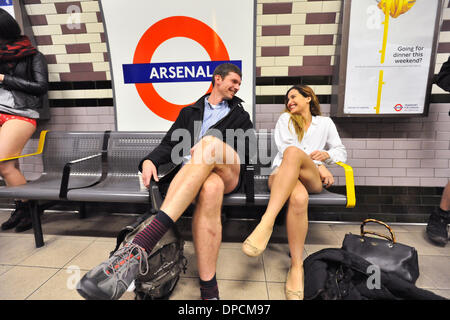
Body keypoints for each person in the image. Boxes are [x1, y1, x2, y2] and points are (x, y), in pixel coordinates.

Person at [76, 63, 254, 300]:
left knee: (209, 145)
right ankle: (209, 290)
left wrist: (216, 147)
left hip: (229, 169)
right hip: (198, 175)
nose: (237, 87)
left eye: (239, 83)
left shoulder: (240, 116)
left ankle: (143, 243)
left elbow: (248, 152)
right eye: (233, 81)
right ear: (218, 79)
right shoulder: (189, 112)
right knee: (211, 187)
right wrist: (149, 160)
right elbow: (170, 144)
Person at [241, 85, 346, 300]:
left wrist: (324, 157)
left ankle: (266, 222)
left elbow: (340, 151)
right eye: (287, 99)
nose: (289, 102)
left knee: (294, 155)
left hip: (310, 179)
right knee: (298, 196)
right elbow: (287, 149)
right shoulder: (285, 120)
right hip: (281, 176)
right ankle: (296, 267)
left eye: (293, 96)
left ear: (309, 98)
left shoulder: (324, 123)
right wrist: (319, 164)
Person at [0, 8, 48, 233]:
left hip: (20, 113)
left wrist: (3, 78)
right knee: (12, 165)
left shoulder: (33, 55)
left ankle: (31, 210)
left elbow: (41, 88)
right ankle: (21, 208)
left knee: (4, 164)